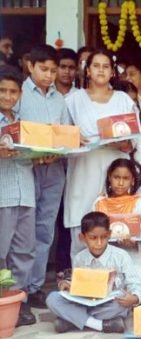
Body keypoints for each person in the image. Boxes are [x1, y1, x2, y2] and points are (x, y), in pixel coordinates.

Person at [64, 49, 141, 260]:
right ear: (87, 70)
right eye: (96, 66)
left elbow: (137, 139)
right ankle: (82, 279)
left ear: (112, 72)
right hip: (84, 169)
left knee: (115, 224)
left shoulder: (122, 99)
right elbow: (61, 136)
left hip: (114, 168)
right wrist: (73, 139)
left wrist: (127, 143)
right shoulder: (72, 100)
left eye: (105, 66)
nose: (101, 70)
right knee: (81, 223)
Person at [17, 44, 71, 308]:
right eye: (44, 69)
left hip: (54, 170)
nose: (49, 75)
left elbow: (67, 134)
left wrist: (60, 152)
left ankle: (35, 286)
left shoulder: (59, 99)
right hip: (25, 169)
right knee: (23, 231)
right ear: (30, 66)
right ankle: (18, 288)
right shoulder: (18, 94)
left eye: (53, 70)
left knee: (45, 229)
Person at [46, 212, 141, 334]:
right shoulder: (79, 258)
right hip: (85, 304)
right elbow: (77, 286)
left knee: (121, 305)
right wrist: (67, 285)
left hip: (110, 305)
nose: (99, 243)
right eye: (93, 238)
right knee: (52, 299)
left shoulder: (121, 256)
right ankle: (101, 325)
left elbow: (136, 284)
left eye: (103, 237)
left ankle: (73, 320)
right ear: (82, 238)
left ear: (109, 234)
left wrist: (134, 299)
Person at [0, 65, 37, 326]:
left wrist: (44, 155)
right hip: (2, 195)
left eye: (13, 91)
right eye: (2, 90)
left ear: (20, 94)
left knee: (24, 252)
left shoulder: (23, 123)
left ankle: (18, 302)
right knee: (1, 252)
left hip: (26, 193)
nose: (7, 96)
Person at [92, 159, 141, 292]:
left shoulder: (140, 202)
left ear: (132, 181)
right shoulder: (100, 203)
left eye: (125, 178)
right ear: (109, 178)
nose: (120, 183)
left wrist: (132, 243)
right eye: (116, 177)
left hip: (132, 257)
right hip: (106, 258)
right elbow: (93, 235)